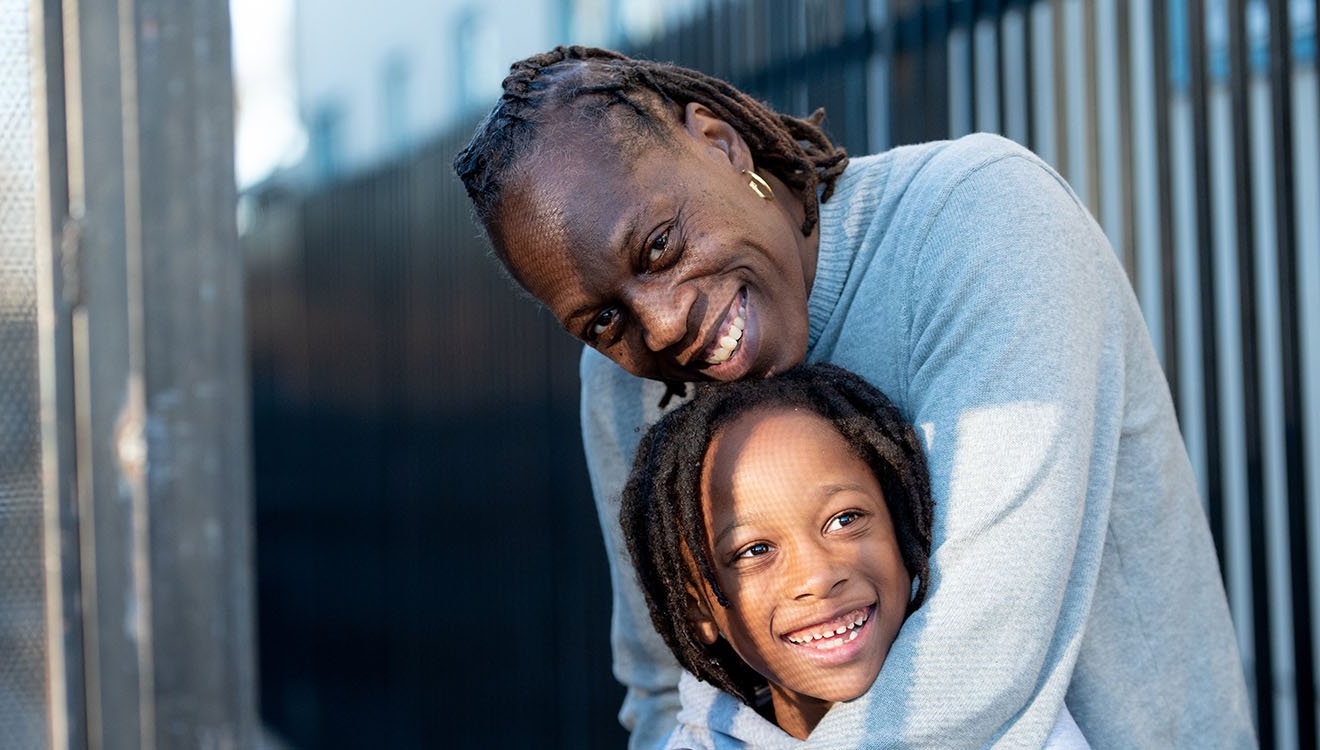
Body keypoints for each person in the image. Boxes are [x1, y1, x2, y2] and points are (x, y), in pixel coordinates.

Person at [454, 46, 1254, 747]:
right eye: (601, 318)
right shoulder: (627, 384)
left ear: (722, 144)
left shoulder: (979, 219)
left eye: (659, 245)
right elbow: (670, 685)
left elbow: (976, 656)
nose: (660, 326)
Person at [619, 364, 1088, 748]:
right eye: (754, 550)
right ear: (698, 606)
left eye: (844, 520)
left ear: (903, 523)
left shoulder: (1017, 728)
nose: (819, 576)